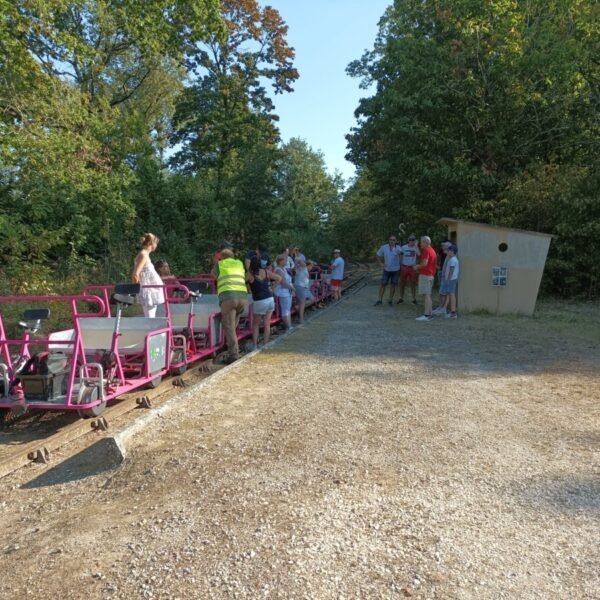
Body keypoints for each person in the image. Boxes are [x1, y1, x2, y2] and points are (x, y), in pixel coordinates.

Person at [215, 246, 248, 364]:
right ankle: (231, 345)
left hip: (229, 297)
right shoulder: (239, 263)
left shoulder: (220, 264)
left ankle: (233, 355)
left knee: (229, 326)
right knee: (232, 326)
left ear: (222, 257)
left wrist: (216, 262)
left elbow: (213, 275)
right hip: (243, 297)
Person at [246, 255, 281, 347]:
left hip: (259, 301)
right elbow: (279, 278)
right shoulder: (266, 272)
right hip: (270, 299)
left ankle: (254, 345)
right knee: (267, 324)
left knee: (256, 324)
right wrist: (272, 287)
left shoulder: (250, 274)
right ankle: (265, 344)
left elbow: (241, 283)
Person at [132, 233, 165, 318]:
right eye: (156, 243)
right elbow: (135, 274)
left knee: (151, 317)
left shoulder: (145, 255)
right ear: (151, 243)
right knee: (150, 318)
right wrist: (135, 290)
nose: (156, 245)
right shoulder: (143, 255)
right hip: (148, 292)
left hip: (151, 291)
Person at [374, 235, 402, 305]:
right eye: (390, 239)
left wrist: (399, 257)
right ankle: (379, 300)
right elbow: (377, 254)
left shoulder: (398, 248)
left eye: (393, 240)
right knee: (383, 284)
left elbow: (401, 256)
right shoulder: (384, 247)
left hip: (396, 270)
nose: (392, 241)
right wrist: (380, 263)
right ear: (388, 240)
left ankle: (390, 300)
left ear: (396, 241)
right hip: (386, 269)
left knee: (393, 285)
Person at [414, 236, 437, 321]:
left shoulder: (427, 250)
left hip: (426, 275)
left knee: (427, 295)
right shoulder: (431, 250)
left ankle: (426, 315)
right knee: (428, 294)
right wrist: (416, 246)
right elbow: (421, 256)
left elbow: (424, 263)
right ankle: (430, 314)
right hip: (430, 275)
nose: (421, 244)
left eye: (421, 242)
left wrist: (417, 267)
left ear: (426, 242)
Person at [273, 254, 296, 330]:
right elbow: (283, 282)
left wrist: (291, 288)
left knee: (287, 310)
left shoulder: (284, 269)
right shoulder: (278, 270)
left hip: (287, 291)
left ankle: (289, 325)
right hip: (282, 292)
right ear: (280, 261)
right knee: (285, 310)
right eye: (285, 260)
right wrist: (292, 288)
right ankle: (288, 326)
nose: (286, 261)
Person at [397, 234, 420, 305]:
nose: (412, 241)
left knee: (413, 283)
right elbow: (400, 255)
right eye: (410, 239)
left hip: (412, 268)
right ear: (408, 240)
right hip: (404, 267)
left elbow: (419, 254)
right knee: (402, 283)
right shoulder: (403, 247)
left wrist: (416, 246)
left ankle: (414, 298)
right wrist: (400, 265)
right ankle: (401, 298)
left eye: (413, 240)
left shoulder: (416, 248)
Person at [439, 244, 459, 319]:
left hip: (451, 279)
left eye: (449, 250)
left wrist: (448, 279)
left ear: (452, 251)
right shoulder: (452, 258)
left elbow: (452, 270)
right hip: (452, 279)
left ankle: (453, 313)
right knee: (451, 294)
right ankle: (452, 312)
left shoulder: (453, 260)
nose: (447, 252)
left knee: (451, 295)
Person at [433, 240, 452, 315]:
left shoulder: (451, 256)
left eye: (443, 246)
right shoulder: (447, 255)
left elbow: (451, 268)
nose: (442, 248)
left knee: (444, 293)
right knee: (441, 292)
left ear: (448, 247)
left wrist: (448, 278)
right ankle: (440, 307)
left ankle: (443, 308)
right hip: (443, 275)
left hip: (447, 277)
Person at [293, 257, 314, 324]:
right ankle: (301, 319)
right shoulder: (303, 267)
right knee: (302, 302)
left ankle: (297, 307)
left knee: (312, 299)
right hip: (300, 286)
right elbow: (297, 259)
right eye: (311, 266)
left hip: (304, 287)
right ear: (308, 265)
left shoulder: (304, 269)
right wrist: (297, 264)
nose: (312, 268)